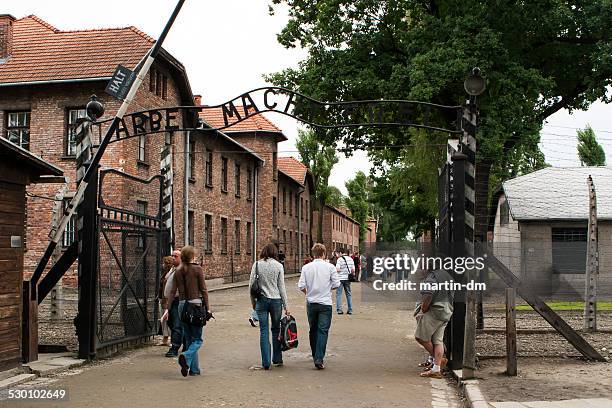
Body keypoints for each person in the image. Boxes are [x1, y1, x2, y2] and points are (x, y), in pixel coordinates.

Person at [298, 243, 340, 369]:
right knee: (323, 330)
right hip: (325, 303)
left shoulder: (306, 268)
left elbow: (301, 286)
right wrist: (327, 289)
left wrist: (308, 293)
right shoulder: (330, 267)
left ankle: (314, 353)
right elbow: (336, 284)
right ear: (324, 254)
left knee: (313, 329)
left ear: (313, 254)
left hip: (311, 302)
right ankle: (319, 358)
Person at [249, 243, 290, 370]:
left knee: (263, 331)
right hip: (276, 301)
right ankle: (277, 359)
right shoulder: (278, 266)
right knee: (276, 329)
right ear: (275, 253)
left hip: (261, 300)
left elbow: (251, 286)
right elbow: (281, 287)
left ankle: (266, 362)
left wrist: (253, 303)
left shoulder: (256, 265)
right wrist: (286, 306)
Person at [171, 246, 210, 377]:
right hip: (195, 305)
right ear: (192, 256)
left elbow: (172, 290)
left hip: (182, 305)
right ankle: (186, 356)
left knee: (189, 338)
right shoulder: (197, 269)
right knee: (198, 340)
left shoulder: (178, 270)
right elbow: (203, 290)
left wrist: (167, 308)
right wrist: (208, 308)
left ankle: (194, 369)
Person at [414, 268, 454, 379]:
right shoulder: (446, 275)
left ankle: (439, 360)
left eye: (421, 267)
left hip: (435, 311)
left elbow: (428, 296)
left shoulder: (431, 278)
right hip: (446, 311)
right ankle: (436, 369)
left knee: (420, 337)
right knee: (437, 341)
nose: (420, 270)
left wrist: (423, 309)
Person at [162, 250, 184, 357]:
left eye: (176, 256)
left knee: (176, 324)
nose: (173, 257)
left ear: (181, 258)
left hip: (178, 300)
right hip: (170, 300)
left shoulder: (182, 269)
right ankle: (184, 342)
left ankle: (174, 347)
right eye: (172, 255)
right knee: (171, 323)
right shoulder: (173, 269)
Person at [158, 255, 174, 347]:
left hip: (166, 300)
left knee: (168, 320)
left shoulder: (170, 274)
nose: (162, 265)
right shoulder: (165, 273)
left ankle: (172, 339)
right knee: (163, 320)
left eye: (164, 263)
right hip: (162, 298)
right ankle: (165, 338)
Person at [335, 249, 355, 315]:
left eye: (337, 253)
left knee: (339, 294)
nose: (337, 255)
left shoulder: (339, 259)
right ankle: (350, 310)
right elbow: (353, 270)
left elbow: (337, 269)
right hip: (348, 279)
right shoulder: (351, 259)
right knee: (348, 294)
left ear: (340, 253)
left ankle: (339, 310)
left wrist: (342, 270)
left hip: (340, 279)